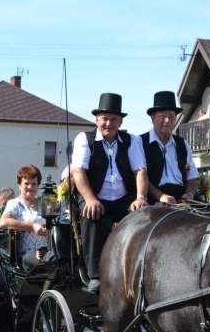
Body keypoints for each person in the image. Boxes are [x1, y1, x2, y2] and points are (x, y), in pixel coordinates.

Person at [70, 93, 148, 292]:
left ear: (120, 122)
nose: (108, 123)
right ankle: (94, 275)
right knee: (91, 215)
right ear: (97, 120)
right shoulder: (85, 139)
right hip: (95, 196)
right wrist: (90, 199)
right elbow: (78, 171)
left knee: (146, 216)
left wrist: (140, 197)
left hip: (123, 198)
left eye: (114, 119)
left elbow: (139, 170)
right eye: (104, 119)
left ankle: (141, 270)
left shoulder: (132, 141)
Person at [141, 91, 200, 205]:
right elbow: (139, 177)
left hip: (181, 197)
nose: (167, 121)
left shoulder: (183, 144)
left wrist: (189, 194)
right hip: (154, 198)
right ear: (153, 118)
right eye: (162, 116)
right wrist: (161, 196)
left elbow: (192, 176)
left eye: (171, 117)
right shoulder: (140, 142)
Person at [0, 166, 48, 270]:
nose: (30, 187)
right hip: (27, 255)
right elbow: (3, 222)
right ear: (19, 185)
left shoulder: (44, 203)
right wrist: (32, 226)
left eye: (34, 183)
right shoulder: (15, 203)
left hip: (47, 251)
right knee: (47, 263)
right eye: (26, 183)